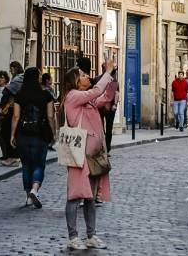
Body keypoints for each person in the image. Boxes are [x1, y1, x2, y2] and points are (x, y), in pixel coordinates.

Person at [61, 59, 117, 250]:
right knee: (75, 196)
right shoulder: (73, 96)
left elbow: (103, 97)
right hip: (79, 155)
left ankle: (91, 235)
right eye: (83, 75)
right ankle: (73, 237)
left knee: (90, 197)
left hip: (92, 155)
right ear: (75, 81)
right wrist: (107, 72)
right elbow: (96, 92)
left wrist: (111, 79)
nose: (87, 77)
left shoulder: (86, 98)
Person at [11, 66, 54, 208]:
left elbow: (16, 116)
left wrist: (12, 134)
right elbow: (50, 116)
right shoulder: (46, 95)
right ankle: (34, 190)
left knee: (26, 165)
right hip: (40, 134)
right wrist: (53, 132)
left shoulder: (19, 95)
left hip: (23, 134)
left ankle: (27, 196)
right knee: (39, 164)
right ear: (37, 78)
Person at [0, 63, 24, 166]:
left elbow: (8, 90)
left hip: (13, 109)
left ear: (16, 68)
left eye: (12, 68)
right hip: (12, 108)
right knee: (7, 133)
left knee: (8, 133)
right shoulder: (17, 78)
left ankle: (13, 157)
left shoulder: (19, 78)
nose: (10, 70)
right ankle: (13, 156)